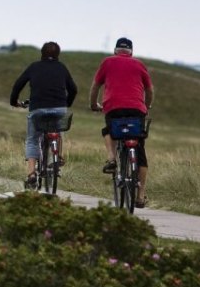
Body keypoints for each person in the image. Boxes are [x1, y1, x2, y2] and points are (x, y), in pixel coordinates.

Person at [89, 37, 154, 207]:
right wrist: (145, 107)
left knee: (109, 130)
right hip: (136, 109)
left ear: (115, 50)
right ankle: (140, 196)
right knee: (140, 152)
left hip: (113, 107)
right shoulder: (139, 64)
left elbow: (96, 86)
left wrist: (93, 105)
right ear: (131, 52)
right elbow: (149, 90)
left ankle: (111, 159)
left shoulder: (107, 62)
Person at [9, 41, 77, 190]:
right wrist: (66, 103)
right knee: (57, 131)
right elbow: (73, 89)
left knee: (33, 139)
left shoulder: (34, 67)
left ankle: (31, 174)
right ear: (58, 54)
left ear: (42, 53)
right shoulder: (62, 68)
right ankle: (57, 156)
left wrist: (14, 101)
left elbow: (18, 84)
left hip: (37, 109)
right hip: (59, 109)